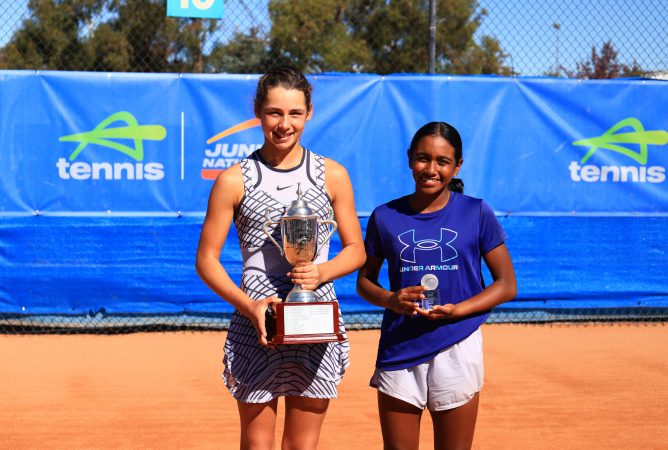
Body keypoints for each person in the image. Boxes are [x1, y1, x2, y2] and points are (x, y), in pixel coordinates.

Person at [195, 65, 366, 450]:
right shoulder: (234, 179)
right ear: (258, 111)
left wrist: (321, 272)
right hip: (257, 324)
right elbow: (206, 259)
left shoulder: (333, 175)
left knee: (302, 446)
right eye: (274, 112)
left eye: (294, 113)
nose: (284, 124)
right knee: (257, 446)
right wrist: (251, 307)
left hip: (316, 318)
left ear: (309, 113)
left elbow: (357, 249)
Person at [356, 121, 517, 450]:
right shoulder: (385, 216)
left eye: (442, 161)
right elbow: (363, 282)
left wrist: (460, 310)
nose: (430, 169)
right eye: (422, 158)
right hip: (400, 346)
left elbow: (506, 285)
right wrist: (392, 299)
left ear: (457, 165)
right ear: (409, 159)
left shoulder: (476, 211)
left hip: (457, 345)